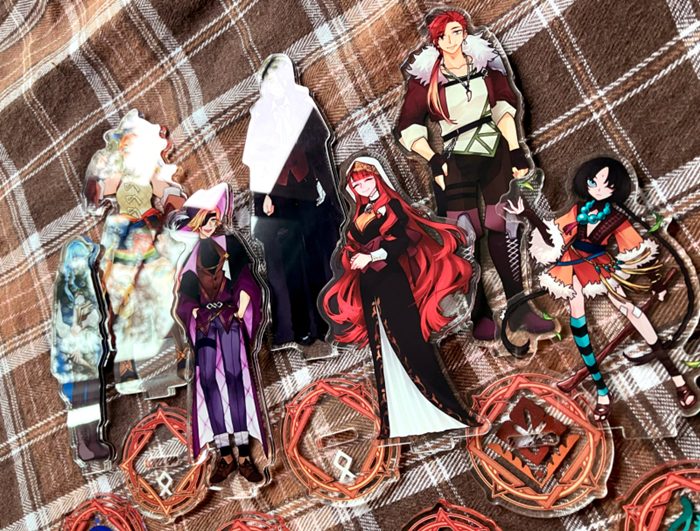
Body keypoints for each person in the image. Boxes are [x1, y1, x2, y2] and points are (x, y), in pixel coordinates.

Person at [396, 9, 553, 340]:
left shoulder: (485, 64)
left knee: (505, 223)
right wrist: (433, 159)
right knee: (465, 234)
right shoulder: (426, 78)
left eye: (458, 32)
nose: (454, 39)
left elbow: (504, 106)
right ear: (436, 41)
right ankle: (478, 313)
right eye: (446, 35)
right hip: (455, 159)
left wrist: (515, 149)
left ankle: (519, 309)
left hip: (495, 151)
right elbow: (408, 126)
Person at [503, 156, 697, 421]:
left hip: (600, 265)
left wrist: (656, 282)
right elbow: (552, 237)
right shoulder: (577, 211)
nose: (598, 188)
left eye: (606, 185)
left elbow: (638, 252)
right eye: (594, 182)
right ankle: (602, 391)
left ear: (616, 189)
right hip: (571, 265)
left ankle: (677, 378)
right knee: (577, 316)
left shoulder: (617, 218)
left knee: (631, 310)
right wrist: (527, 213)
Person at [322, 156, 480, 439]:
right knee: (380, 346)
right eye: (357, 184)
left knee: (409, 341)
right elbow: (355, 242)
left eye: (367, 180)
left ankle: (442, 408)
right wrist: (353, 255)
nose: (363, 187)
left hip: (392, 280)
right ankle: (398, 418)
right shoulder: (361, 211)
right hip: (369, 283)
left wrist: (372, 255)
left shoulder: (391, 206)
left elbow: (403, 240)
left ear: (377, 178)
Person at [84, 109, 187, 396]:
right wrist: (97, 178)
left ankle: (172, 363)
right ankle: (128, 369)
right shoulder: (119, 178)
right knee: (123, 303)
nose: (128, 153)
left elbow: (170, 195)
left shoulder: (150, 176)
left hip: (150, 234)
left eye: (133, 147)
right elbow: (95, 193)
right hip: (125, 239)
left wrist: (175, 206)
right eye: (125, 148)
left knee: (161, 296)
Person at [243, 54, 342, 346]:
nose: (275, 85)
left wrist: (324, 186)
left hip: (306, 186)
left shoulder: (302, 101)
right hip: (279, 193)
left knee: (317, 256)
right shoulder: (260, 113)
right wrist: (264, 195)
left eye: (279, 79)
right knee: (290, 261)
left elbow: (320, 144)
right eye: (269, 81)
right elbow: (255, 159)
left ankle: (324, 322)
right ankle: (302, 326)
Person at [173, 184, 268, 484]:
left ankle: (244, 453)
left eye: (214, 218)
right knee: (209, 384)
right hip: (204, 325)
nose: (211, 224)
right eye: (205, 219)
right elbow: (186, 297)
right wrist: (193, 312)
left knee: (236, 380)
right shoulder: (189, 256)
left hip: (229, 319)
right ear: (195, 222)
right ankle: (224, 453)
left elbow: (244, 277)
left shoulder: (230, 244)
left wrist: (243, 303)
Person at [51, 237, 111, 461]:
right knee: (80, 397)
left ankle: (93, 440)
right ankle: (84, 444)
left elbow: (95, 314)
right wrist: (75, 328)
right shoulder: (64, 286)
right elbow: (63, 322)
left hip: (89, 350)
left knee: (93, 394)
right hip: (72, 354)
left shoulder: (87, 282)